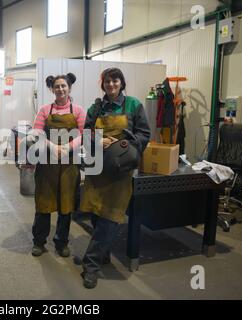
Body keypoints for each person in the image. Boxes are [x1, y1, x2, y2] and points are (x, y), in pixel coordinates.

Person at [79, 68, 151, 288]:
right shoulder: (97, 107)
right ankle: (103, 253)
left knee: (110, 218)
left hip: (120, 172)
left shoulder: (133, 105)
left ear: (121, 82)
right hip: (97, 170)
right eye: (108, 81)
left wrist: (124, 145)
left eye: (115, 80)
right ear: (103, 84)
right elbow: (85, 132)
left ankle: (90, 265)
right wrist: (96, 141)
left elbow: (144, 134)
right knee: (96, 213)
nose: (111, 84)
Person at [31, 73, 86, 257]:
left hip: (69, 165)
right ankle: (39, 241)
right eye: (57, 86)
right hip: (47, 164)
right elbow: (37, 132)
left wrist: (67, 148)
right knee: (43, 204)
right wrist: (53, 146)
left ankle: (61, 243)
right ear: (52, 89)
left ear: (69, 88)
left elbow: (83, 134)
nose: (60, 89)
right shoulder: (45, 110)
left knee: (66, 205)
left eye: (64, 86)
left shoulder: (78, 110)